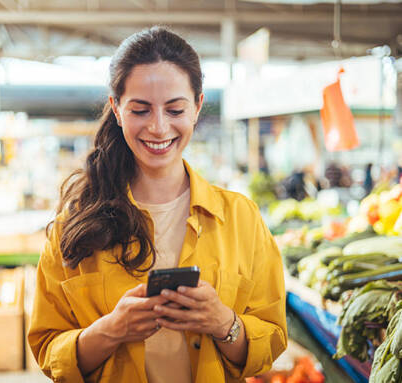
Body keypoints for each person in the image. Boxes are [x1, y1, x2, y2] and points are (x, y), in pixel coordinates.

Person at [28, 27, 287, 383]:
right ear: (116, 109)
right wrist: (111, 331)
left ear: (197, 107)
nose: (159, 127)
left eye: (175, 109)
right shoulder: (72, 227)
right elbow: (47, 349)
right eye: (140, 109)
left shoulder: (242, 218)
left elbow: (271, 341)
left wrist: (223, 323)